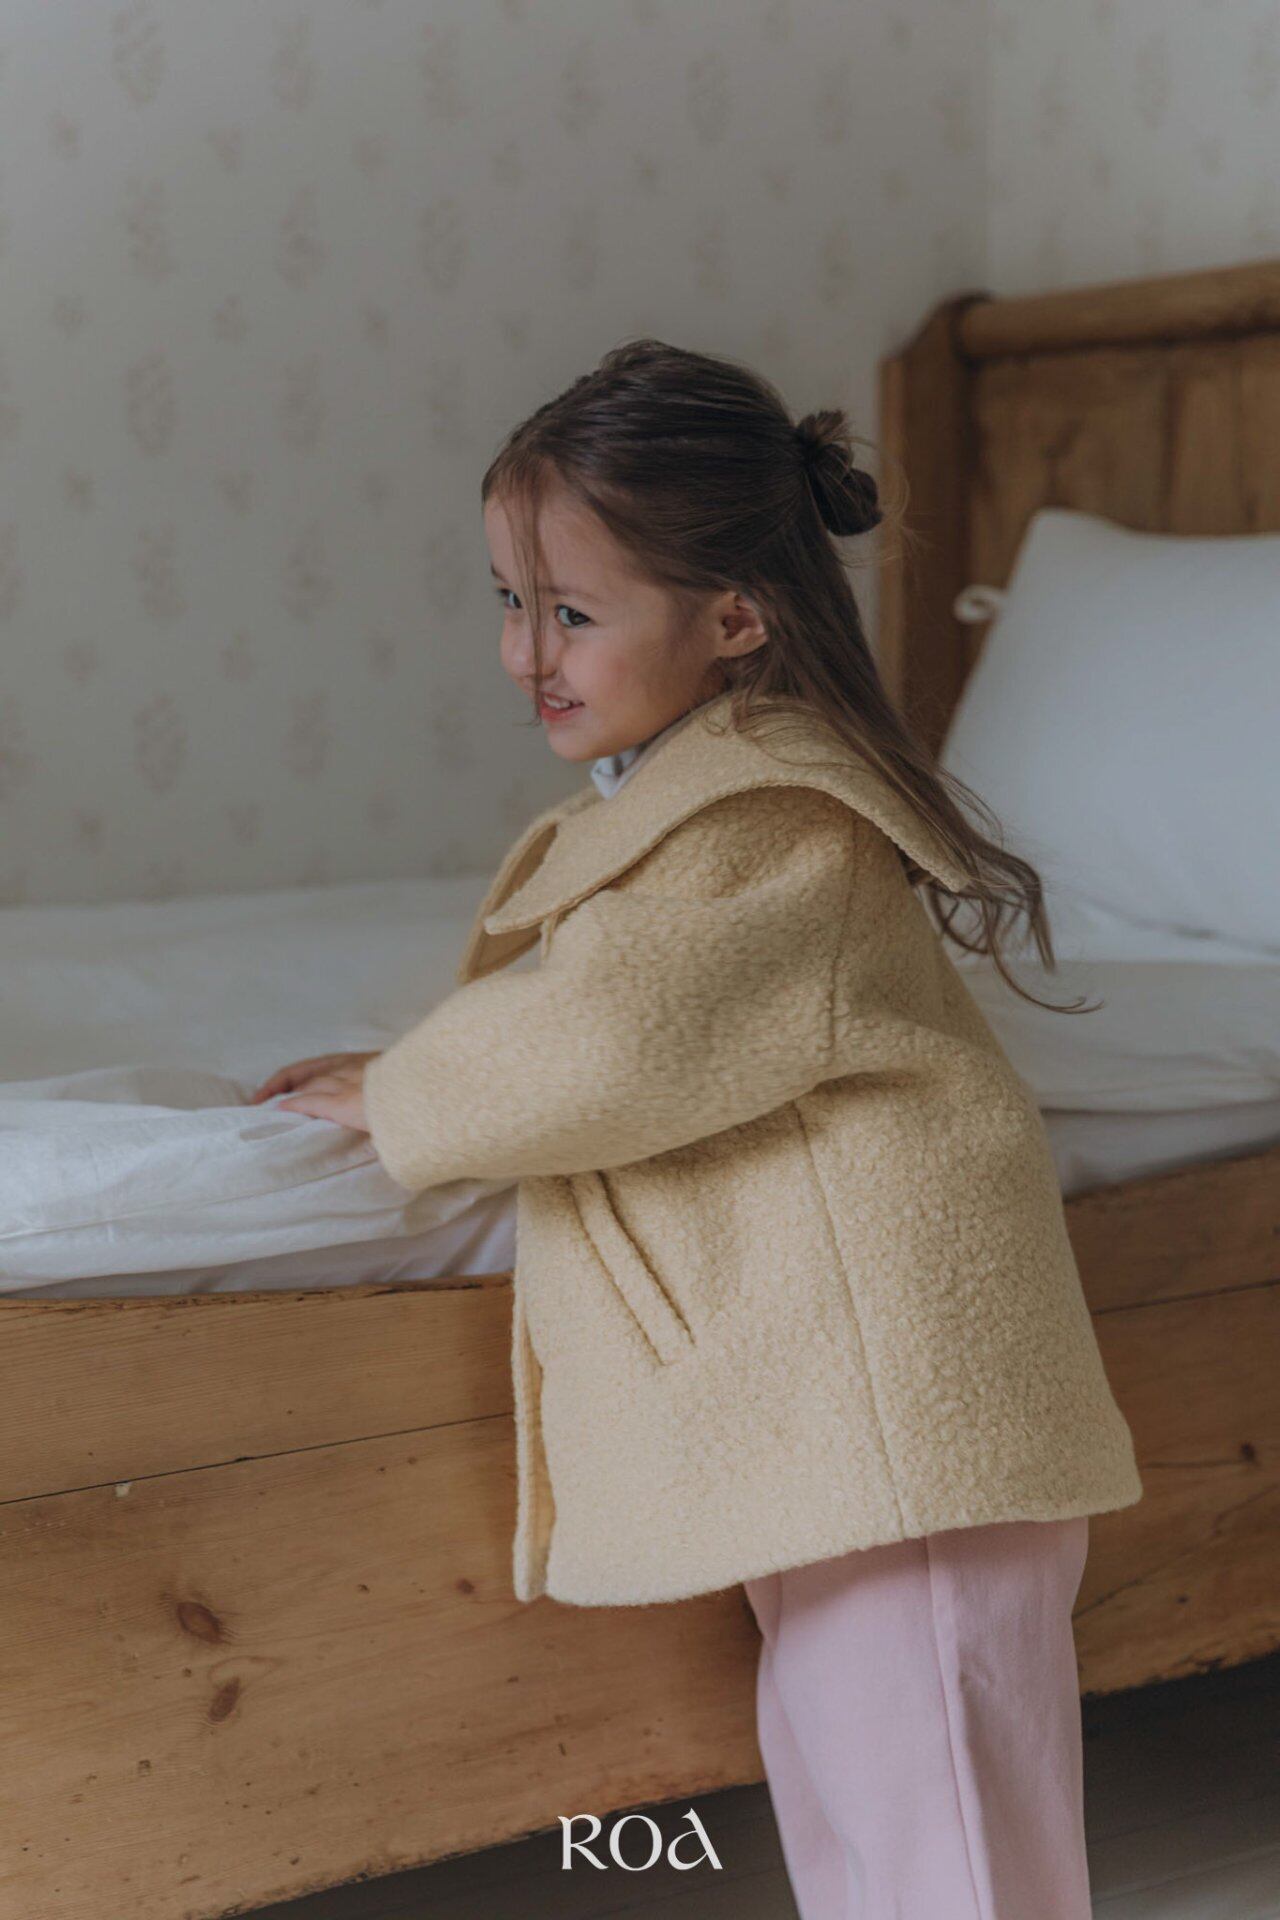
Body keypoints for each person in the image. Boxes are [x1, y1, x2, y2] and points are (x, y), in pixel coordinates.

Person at [250, 340, 1143, 1918]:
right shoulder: (692, 802)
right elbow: (626, 1007)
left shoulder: (778, 813)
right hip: (843, 1437)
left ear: (736, 618)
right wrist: (424, 1062)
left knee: (947, 1841)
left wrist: (405, 1098)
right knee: (861, 1808)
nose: (525, 653)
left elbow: (617, 1035)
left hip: (914, 1433)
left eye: (572, 615)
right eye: (510, 602)